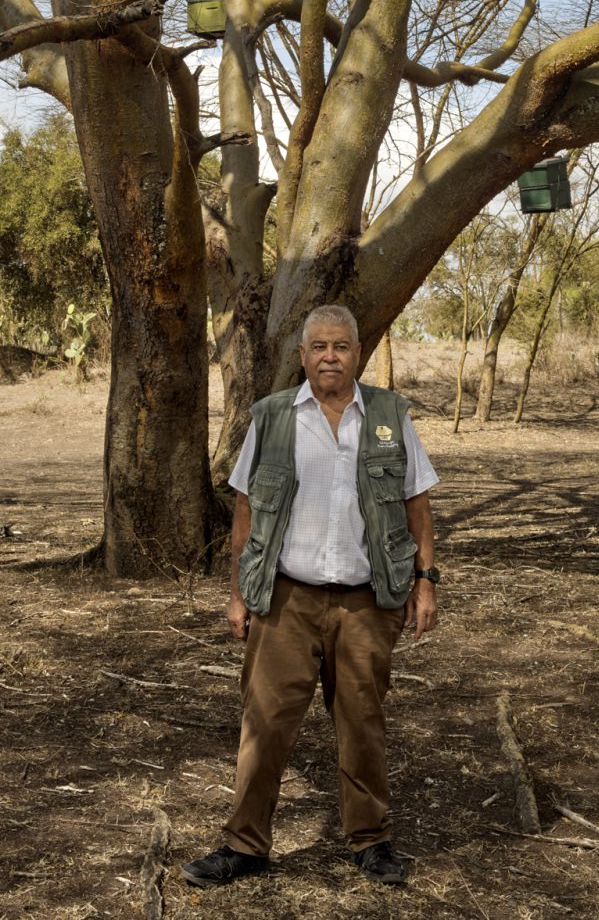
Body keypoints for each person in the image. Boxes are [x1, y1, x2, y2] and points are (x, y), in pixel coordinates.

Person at [182, 304, 440, 890]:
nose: (330, 356)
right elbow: (245, 511)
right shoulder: (272, 418)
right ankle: (245, 845)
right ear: (302, 356)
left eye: (341, 346)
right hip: (286, 599)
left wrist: (426, 581)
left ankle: (370, 841)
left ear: (357, 354)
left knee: (362, 723)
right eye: (319, 346)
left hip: (367, 602)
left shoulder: (389, 416)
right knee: (266, 722)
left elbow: (417, 503)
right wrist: (239, 594)